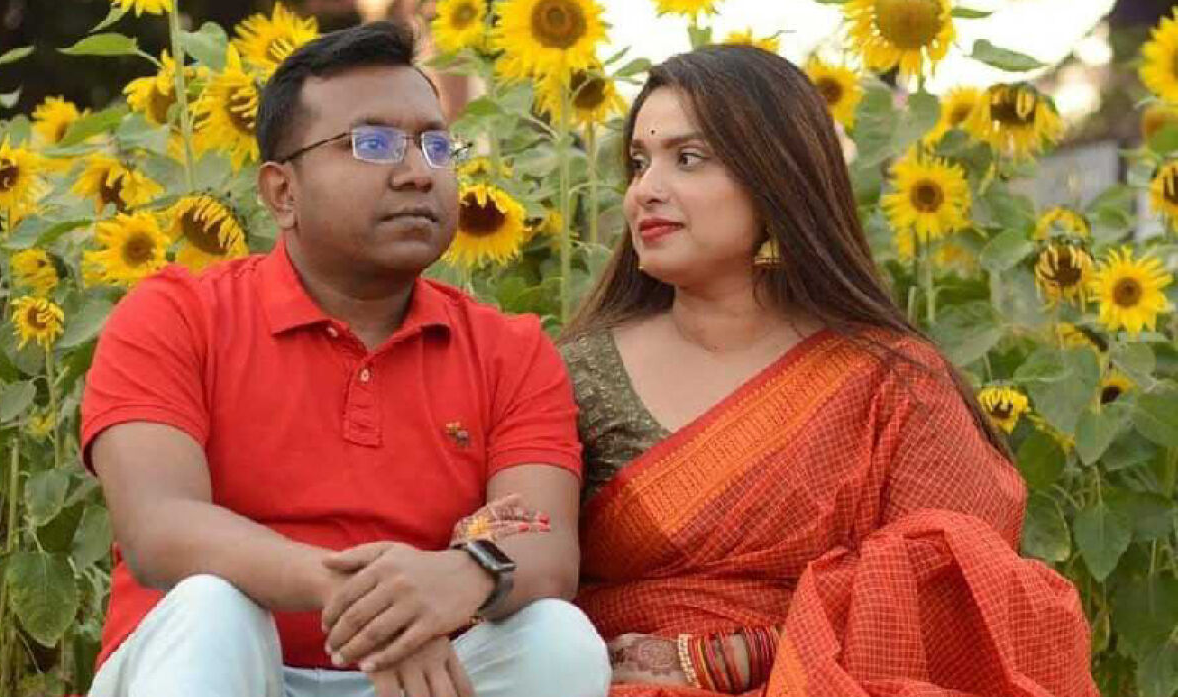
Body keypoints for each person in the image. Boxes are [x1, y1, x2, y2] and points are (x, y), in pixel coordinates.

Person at [81, 21, 610, 697]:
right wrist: (374, 601)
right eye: (373, 144)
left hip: (417, 678)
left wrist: (459, 576)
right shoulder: (177, 314)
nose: (418, 172)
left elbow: (545, 546)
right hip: (223, 665)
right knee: (213, 607)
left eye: (436, 145)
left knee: (557, 640)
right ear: (282, 192)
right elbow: (160, 528)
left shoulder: (508, 349)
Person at [557, 45, 1097, 696]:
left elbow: (951, 592)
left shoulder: (892, 382)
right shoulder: (574, 373)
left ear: (775, 177)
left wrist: (735, 656)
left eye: (688, 158)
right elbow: (511, 573)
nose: (645, 189)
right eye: (639, 162)